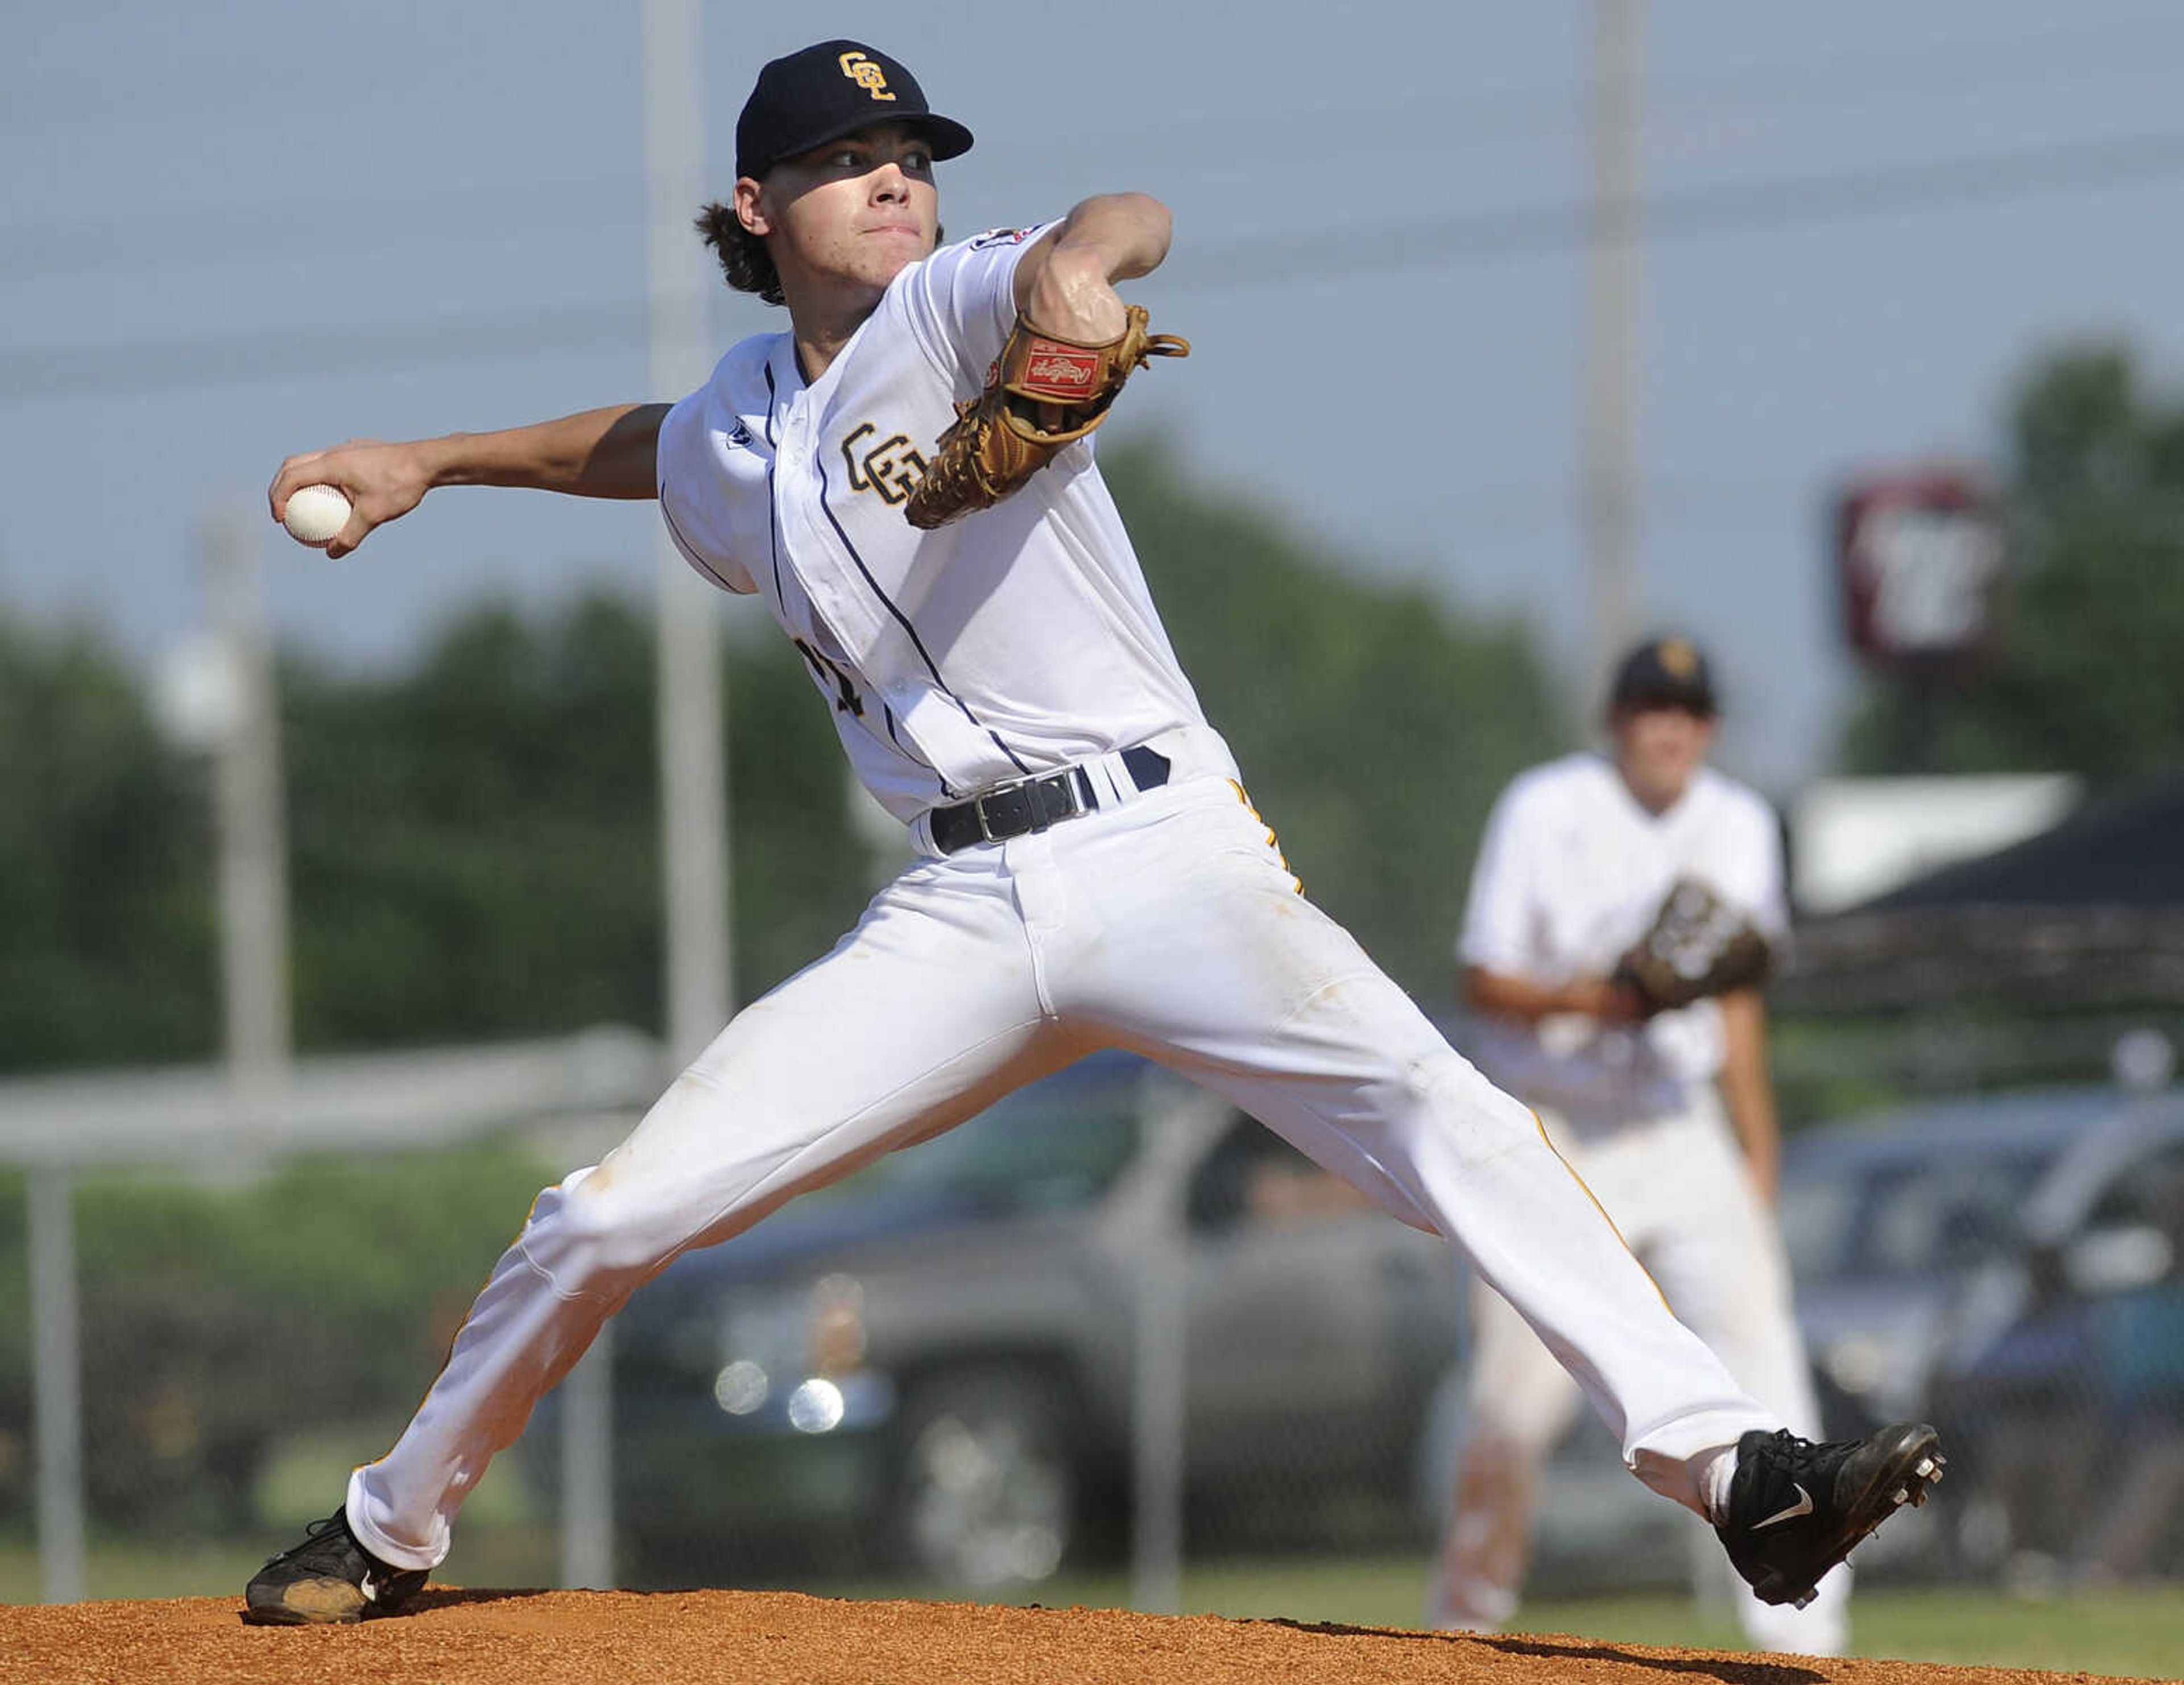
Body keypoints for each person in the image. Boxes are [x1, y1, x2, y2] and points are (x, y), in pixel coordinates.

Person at [242, 41, 1940, 1627]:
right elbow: (638, 444)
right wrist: (433, 460)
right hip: (960, 906)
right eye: (845, 159)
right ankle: (393, 1525)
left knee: (1452, 1117)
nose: (891, 179)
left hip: (1164, 851)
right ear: (756, 211)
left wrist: (1073, 283)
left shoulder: (966, 299)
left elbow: (1123, 222)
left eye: (906, 150)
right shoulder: (732, 433)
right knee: (611, 1212)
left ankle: (1742, 1476)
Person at [1425, 635, 1851, 1653]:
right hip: (1554, 1129)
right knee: (1510, 1412)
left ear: (1708, 728)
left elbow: (1738, 997)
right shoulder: (1546, 807)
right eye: (1652, 706)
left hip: (1675, 1119)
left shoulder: (1739, 822)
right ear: (1617, 719)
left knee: (1765, 1369)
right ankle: (1468, 1627)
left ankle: (1804, 1644)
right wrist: (1602, 999)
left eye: (1691, 711)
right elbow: (1482, 977)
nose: (1671, 726)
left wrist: (1756, 1149)